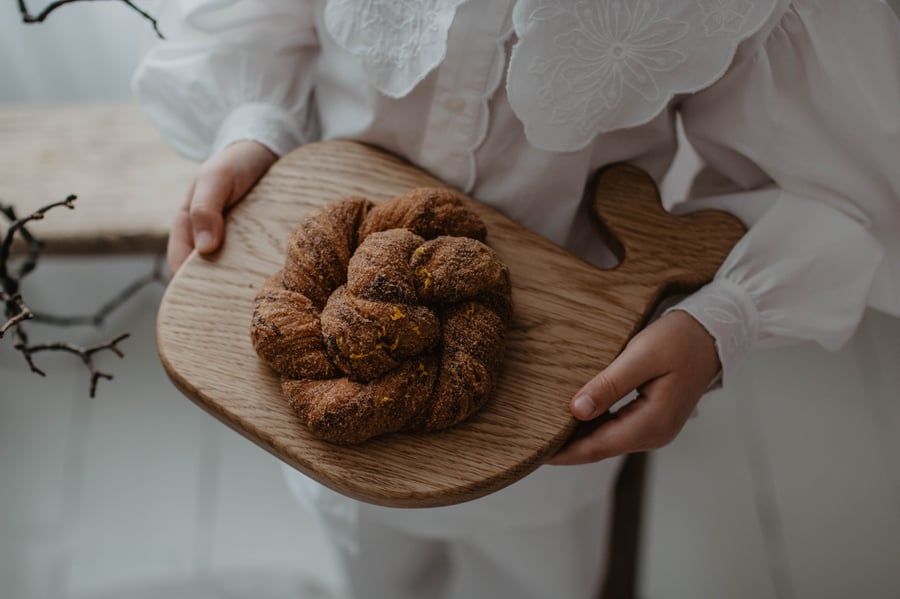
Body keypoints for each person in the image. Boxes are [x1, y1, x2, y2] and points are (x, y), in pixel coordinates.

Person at [133, 1, 900, 597]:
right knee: (365, 553)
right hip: (328, 310)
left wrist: (724, 316)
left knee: (538, 569)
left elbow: (838, 180)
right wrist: (253, 127)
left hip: (558, 385)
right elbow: (266, 22)